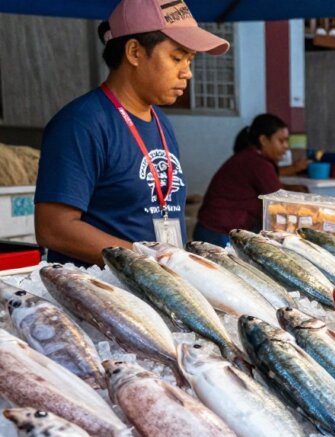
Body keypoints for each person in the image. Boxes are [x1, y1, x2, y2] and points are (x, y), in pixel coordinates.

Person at [34, 0, 228, 265]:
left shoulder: (161, 121)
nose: (188, 73)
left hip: (159, 290)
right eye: (177, 57)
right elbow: (54, 228)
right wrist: (148, 262)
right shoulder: (81, 123)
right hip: (103, 294)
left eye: (190, 60)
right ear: (135, 52)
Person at [194, 114, 302, 246]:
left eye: (287, 141)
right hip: (218, 233)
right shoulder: (257, 163)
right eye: (281, 141)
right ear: (263, 140)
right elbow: (279, 203)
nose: (286, 146)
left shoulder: (251, 157)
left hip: (212, 228)